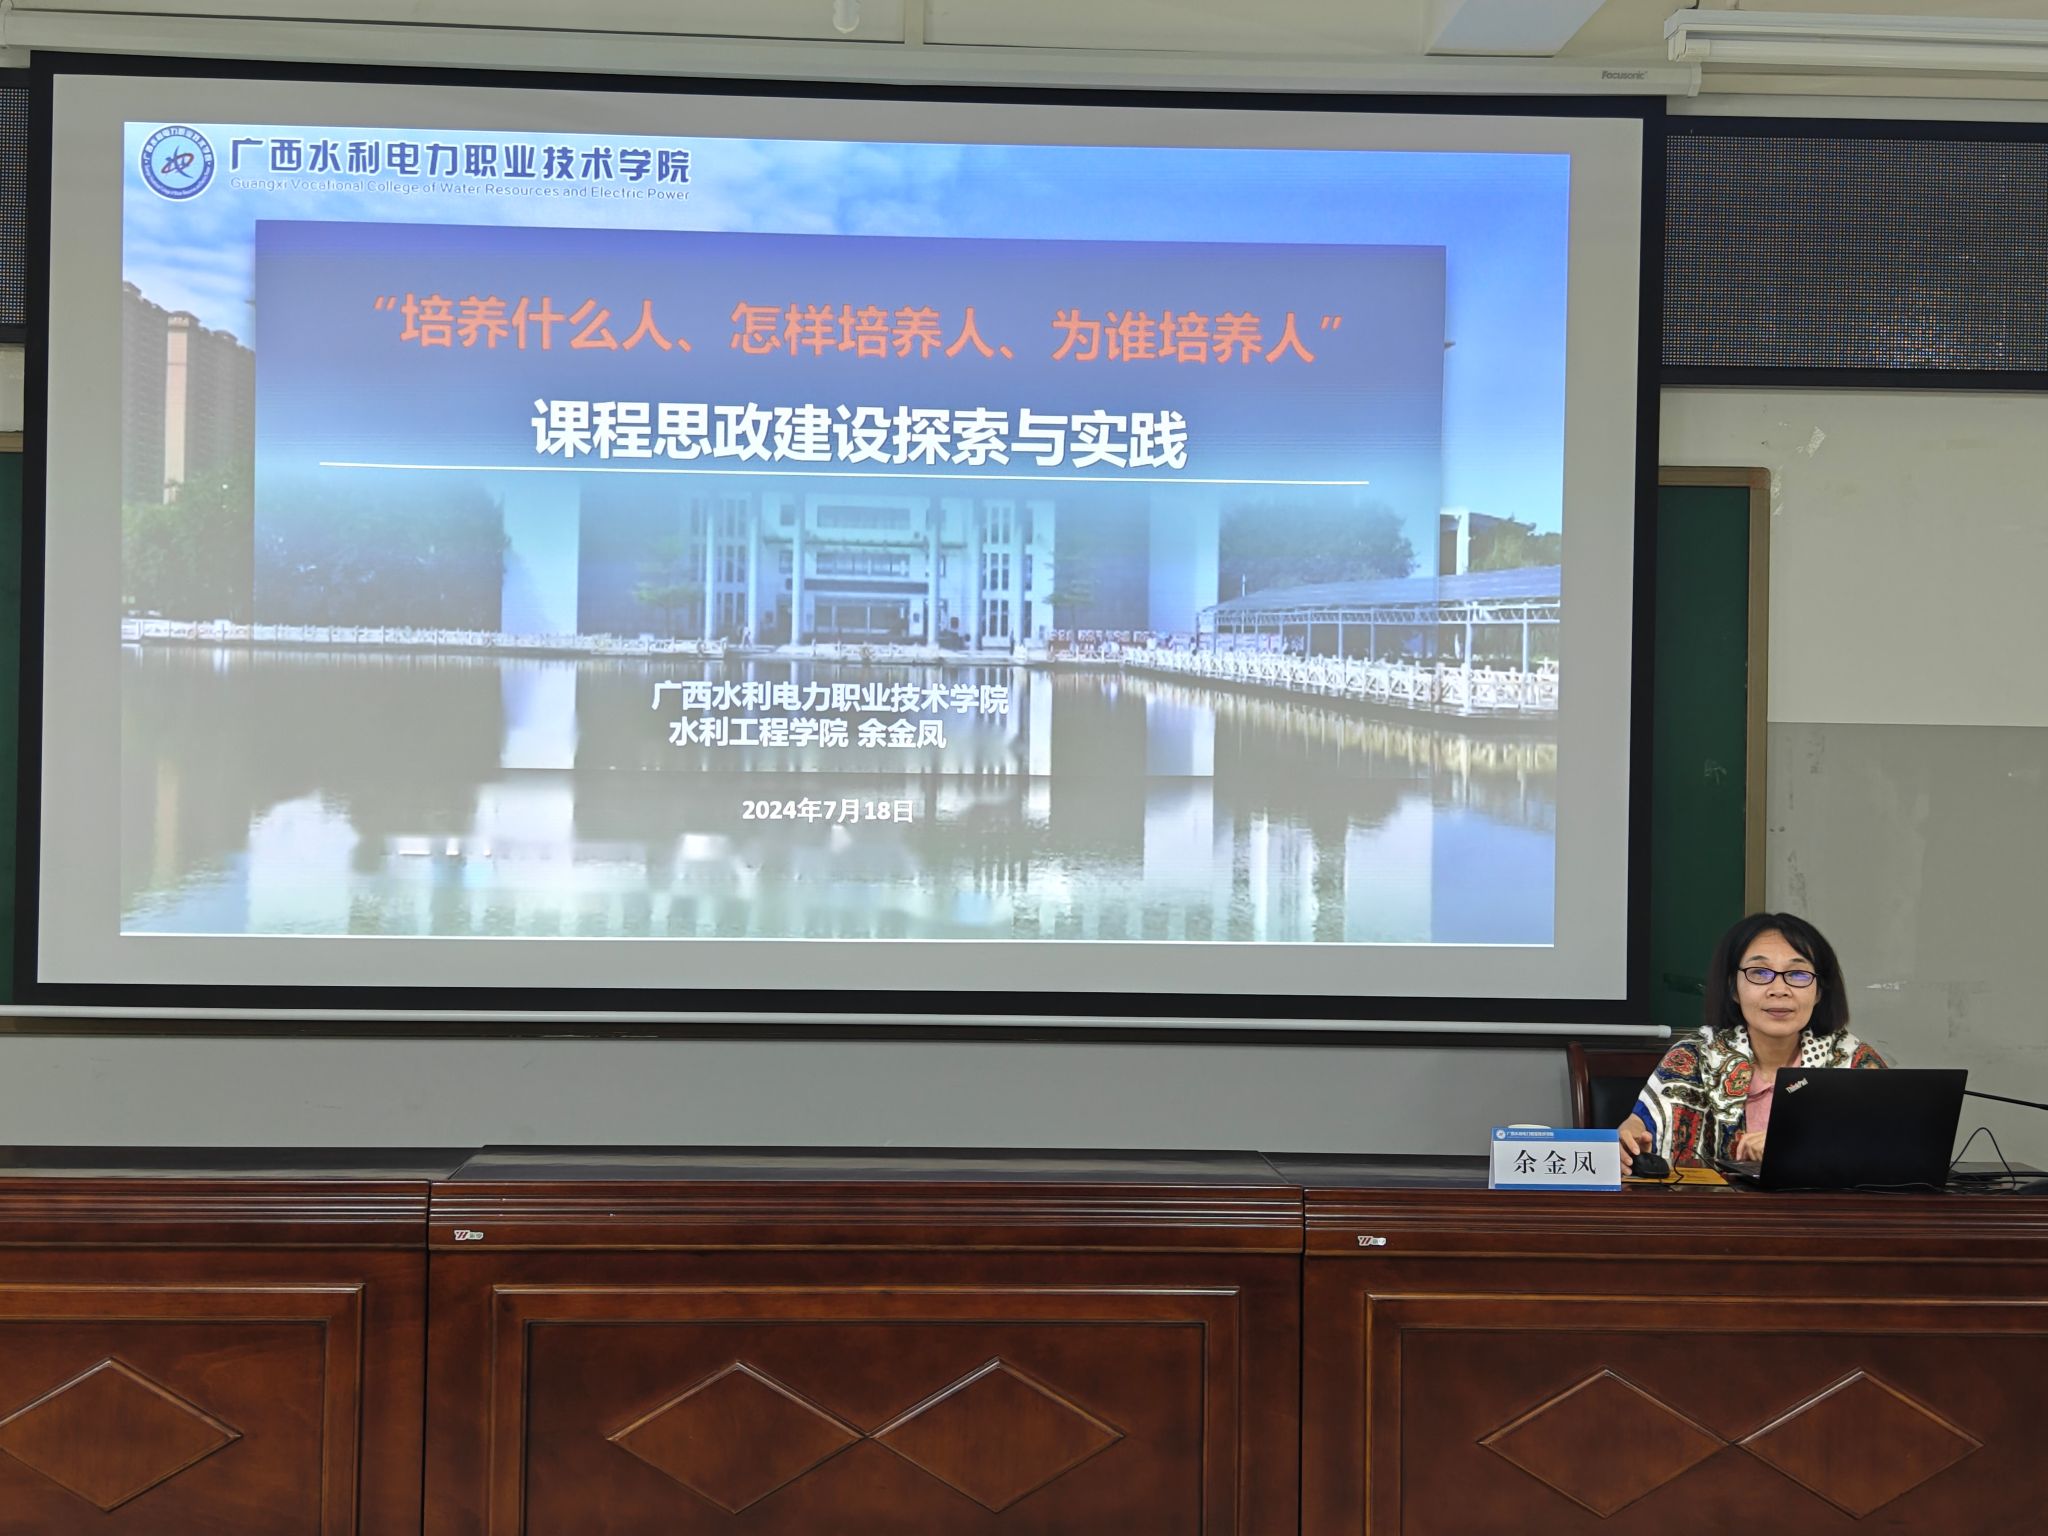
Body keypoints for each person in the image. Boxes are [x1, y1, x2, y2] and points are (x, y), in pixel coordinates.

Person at [1619, 912, 1885, 1173]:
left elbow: (1890, 1151)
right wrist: (1628, 1138)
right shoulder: (1696, 1056)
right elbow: (1640, 1128)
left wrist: (1793, 1149)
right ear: (1733, 988)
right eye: (1759, 972)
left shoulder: (1854, 1063)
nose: (1779, 990)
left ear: (1819, 992)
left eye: (1798, 974)